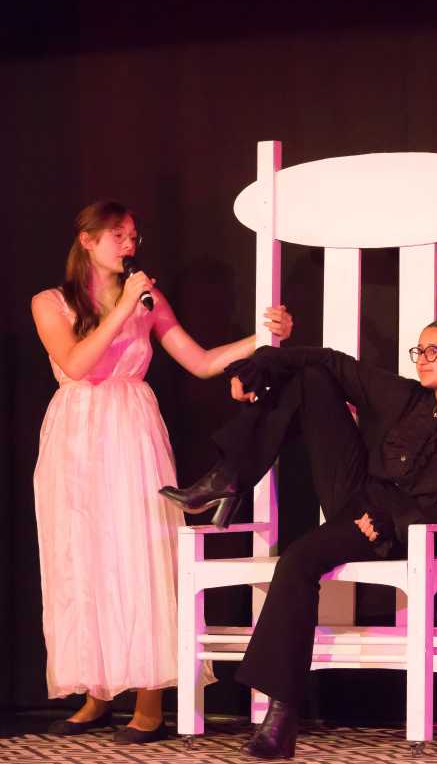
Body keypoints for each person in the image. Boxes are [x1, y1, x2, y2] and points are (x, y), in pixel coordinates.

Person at [160, 319, 437, 759]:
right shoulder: (409, 397)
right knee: (313, 377)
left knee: (297, 560)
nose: (422, 360)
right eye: (419, 351)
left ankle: (282, 717)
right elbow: (334, 363)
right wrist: (261, 364)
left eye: (433, 351)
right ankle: (228, 476)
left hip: (395, 532)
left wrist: (393, 520)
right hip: (357, 497)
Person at [31, 200, 292, 744]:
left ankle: (149, 697)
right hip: (74, 433)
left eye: (133, 236)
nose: (129, 245)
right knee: (80, 555)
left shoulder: (147, 298)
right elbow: (76, 363)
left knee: (140, 551)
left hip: (130, 426)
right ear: (87, 240)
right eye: (117, 235)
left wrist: (263, 338)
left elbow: (200, 361)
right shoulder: (50, 302)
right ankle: (96, 691)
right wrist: (124, 306)